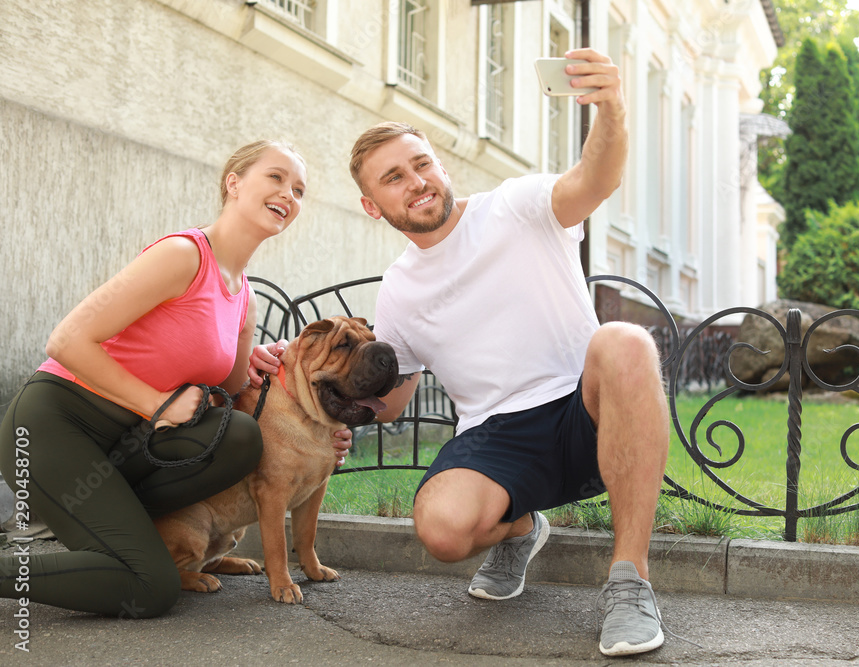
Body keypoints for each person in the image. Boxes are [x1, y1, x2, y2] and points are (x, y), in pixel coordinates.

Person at [348, 49, 672, 657]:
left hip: (584, 406)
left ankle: (629, 582)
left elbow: (595, 179)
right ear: (373, 206)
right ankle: (521, 527)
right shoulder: (398, 289)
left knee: (624, 340)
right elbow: (391, 403)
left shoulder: (516, 205)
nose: (415, 182)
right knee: (442, 530)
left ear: (441, 168)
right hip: (499, 437)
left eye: (421, 164)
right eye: (393, 178)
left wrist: (610, 108)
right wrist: (318, 386)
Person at [0, 140, 351, 618]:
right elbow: (66, 341)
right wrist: (154, 403)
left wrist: (281, 372)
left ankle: (144, 539)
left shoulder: (243, 295)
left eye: (299, 189)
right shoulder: (183, 255)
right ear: (234, 182)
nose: (288, 194)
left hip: (128, 444)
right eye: (276, 177)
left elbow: (228, 392)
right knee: (150, 587)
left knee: (240, 437)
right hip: (57, 423)